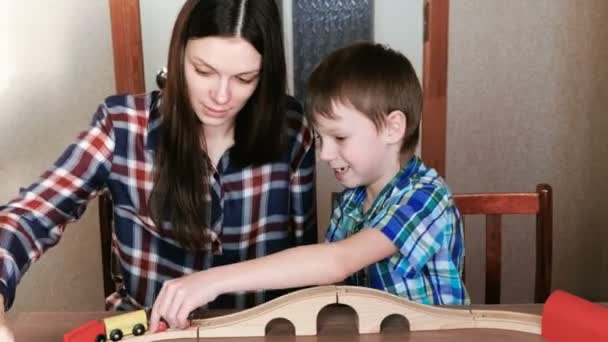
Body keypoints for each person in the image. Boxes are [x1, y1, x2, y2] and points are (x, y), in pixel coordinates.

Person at [0, 0, 316, 339]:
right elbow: (28, 218)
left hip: (257, 330)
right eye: (203, 71)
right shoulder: (122, 126)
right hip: (146, 331)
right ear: (178, 56)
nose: (221, 96)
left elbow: (307, 261)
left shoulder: (291, 131)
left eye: (243, 78)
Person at [149, 41, 470, 331]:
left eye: (340, 137)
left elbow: (336, 262)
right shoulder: (351, 202)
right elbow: (330, 290)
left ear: (393, 127)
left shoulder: (427, 197)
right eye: (320, 139)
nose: (325, 154)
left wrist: (211, 281)